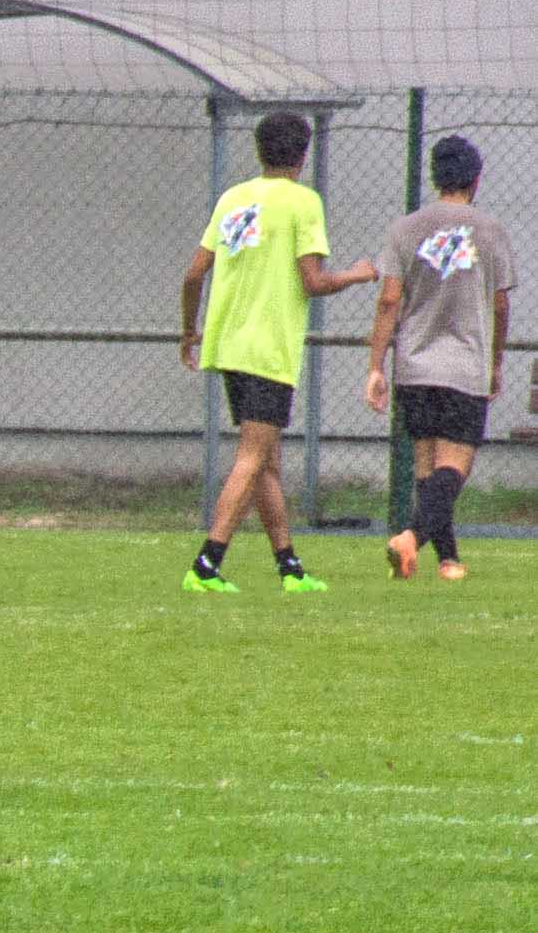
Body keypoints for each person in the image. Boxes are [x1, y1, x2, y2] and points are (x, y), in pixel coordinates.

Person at [178, 110, 376, 594]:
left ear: (259, 150)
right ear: (303, 155)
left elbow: (193, 273)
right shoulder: (303, 202)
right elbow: (313, 281)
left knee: (267, 463)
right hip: (268, 349)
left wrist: (189, 332)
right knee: (251, 458)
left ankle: (289, 567)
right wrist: (357, 274)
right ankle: (206, 563)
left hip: (227, 344)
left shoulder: (234, 198)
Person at [365, 134, 514, 582]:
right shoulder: (490, 231)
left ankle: (448, 561)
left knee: (427, 466)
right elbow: (501, 305)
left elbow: (389, 299)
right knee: (455, 467)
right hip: (464, 365)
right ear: (476, 179)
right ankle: (410, 536)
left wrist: (375, 366)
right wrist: (496, 361)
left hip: (414, 366)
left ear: (435, 177)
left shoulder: (404, 228)